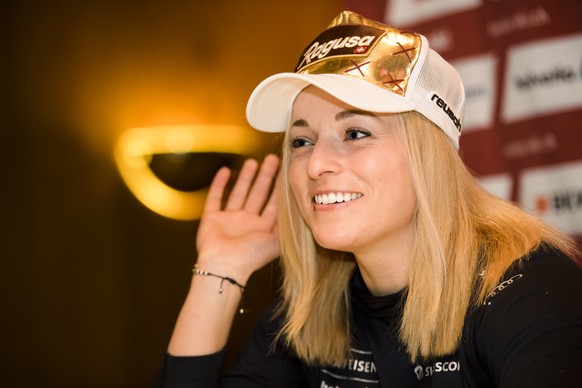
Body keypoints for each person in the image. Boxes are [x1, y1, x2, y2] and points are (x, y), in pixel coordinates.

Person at [155, 11, 582, 387]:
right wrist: (220, 269)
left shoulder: (529, 289)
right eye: (301, 140)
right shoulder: (311, 311)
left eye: (355, 133)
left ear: (427, 156)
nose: (316, 163)